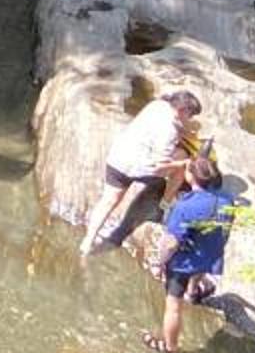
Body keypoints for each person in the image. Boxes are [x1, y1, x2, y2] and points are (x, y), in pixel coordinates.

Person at [82, 88, 204, 255]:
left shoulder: (157, 105)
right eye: (190, 115)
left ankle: (87, 241)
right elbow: (159, 166)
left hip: (116, 160)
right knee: (181, 161)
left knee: (108, 200)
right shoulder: (169, 131)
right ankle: (165, 205)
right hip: (137, 167)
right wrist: (184, 162)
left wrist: (183, 132)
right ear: (182, 110)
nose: (190, 119)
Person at [152, 158, 237, 353]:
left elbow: (171, 242)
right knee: (199, 270)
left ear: (191, 177)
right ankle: (193, 291)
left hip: (184, 263)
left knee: (173, 306)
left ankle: (170, 346)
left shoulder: (185, 206)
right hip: (211, 254)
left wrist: (159, 263)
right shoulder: (227, 199)